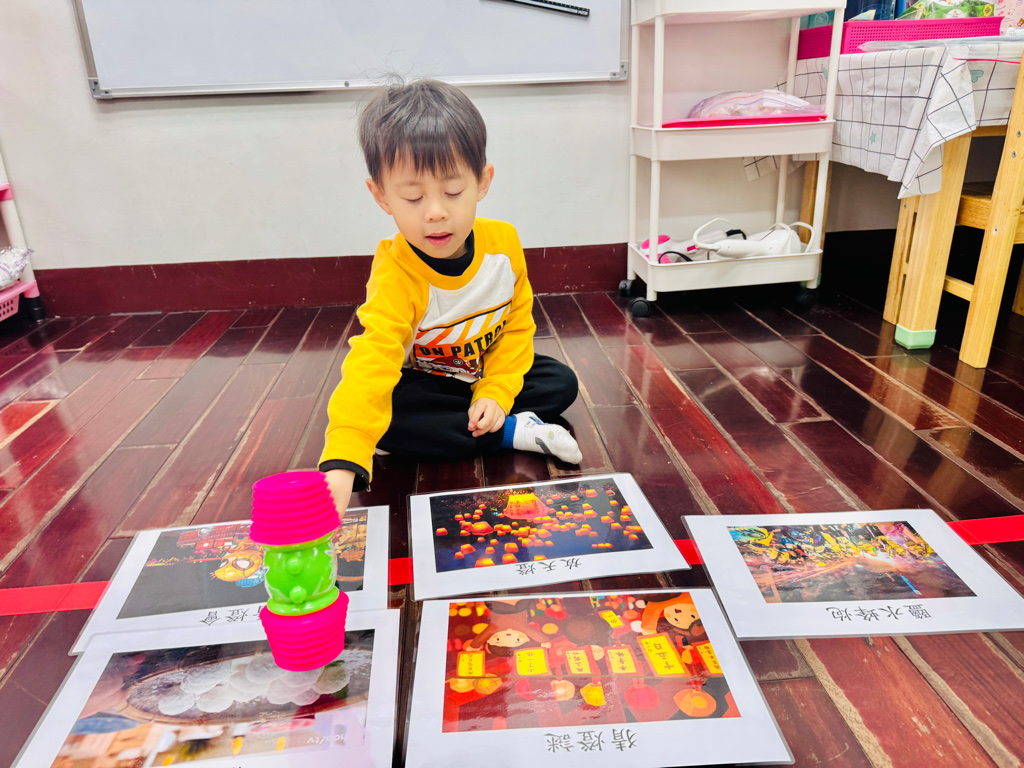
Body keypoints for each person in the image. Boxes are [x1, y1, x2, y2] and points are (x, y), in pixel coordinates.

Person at [319, 78, 581, 513]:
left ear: (482, 182)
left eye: (453, 192)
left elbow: (516, 328)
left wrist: (495, 391)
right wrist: (344, 460)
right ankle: (512, 431)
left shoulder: (503, 245)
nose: (436, 212)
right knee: (388, 419)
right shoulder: (396, 270)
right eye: (412, 197)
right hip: (428, 384)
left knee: (559, 381)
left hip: (481, 373)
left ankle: (485, 420)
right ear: (381, 195)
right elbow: (374, 358)